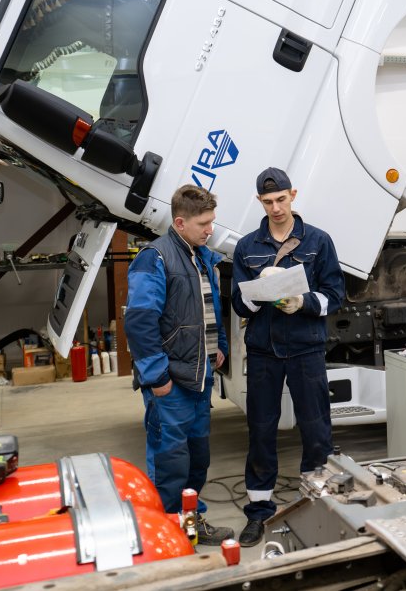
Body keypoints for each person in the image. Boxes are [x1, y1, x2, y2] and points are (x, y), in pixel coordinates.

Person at [231, 167, 345, 546]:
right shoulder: (247, 247)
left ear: (292, 195)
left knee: (316, 427)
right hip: (263, 351)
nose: (276, 208)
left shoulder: (318, 241)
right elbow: (239, 305)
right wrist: (257, 291)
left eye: (281, 199)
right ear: (259, 202)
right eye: (268, 202)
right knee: (261, 429)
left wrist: (302, 301)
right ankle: (259, 510)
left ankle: (317, 501)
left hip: (305, 347)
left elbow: (335, 295)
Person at [123, 184, 234, 545]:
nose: (210, 230)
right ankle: (167, 532)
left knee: (197, 458)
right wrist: (156, 376)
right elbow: (140, 322)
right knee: (170, 461)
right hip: (171, 380)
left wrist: (218, 347)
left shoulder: (201, 256)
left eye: (212, 222)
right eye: (203, 224)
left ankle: (190, 521)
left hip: (199, 376)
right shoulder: (155, 258)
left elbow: (209, 307)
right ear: (180, 222)